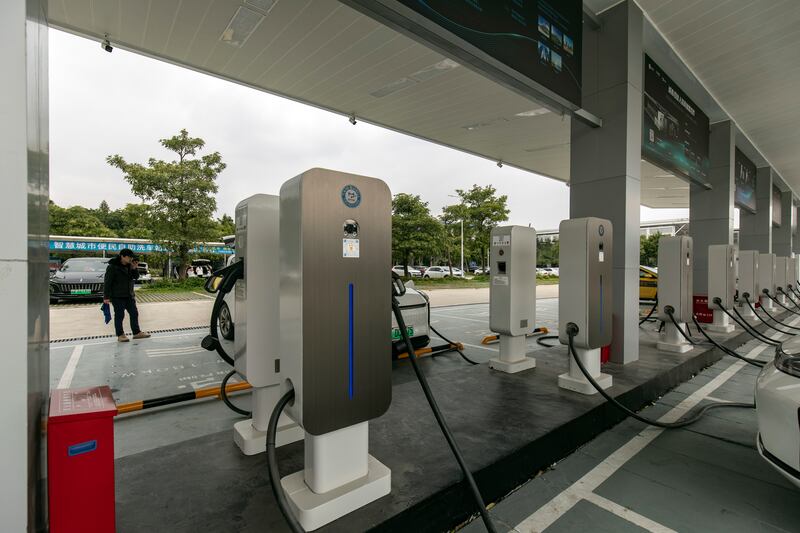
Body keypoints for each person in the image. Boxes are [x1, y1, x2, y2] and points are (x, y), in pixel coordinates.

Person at [103, 248, 151, 342]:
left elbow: (136, 277)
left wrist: (134, 268)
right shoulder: (113, 267)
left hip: (129, 295)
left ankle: (136, 332)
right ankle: (120, 334)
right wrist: (106, 297)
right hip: (117, 296)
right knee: (120, 315)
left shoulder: (130, 266)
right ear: (122, 256)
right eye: (129, 257)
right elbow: (107, 282)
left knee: (134, 313)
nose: (131, 259)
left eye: (131, 257)